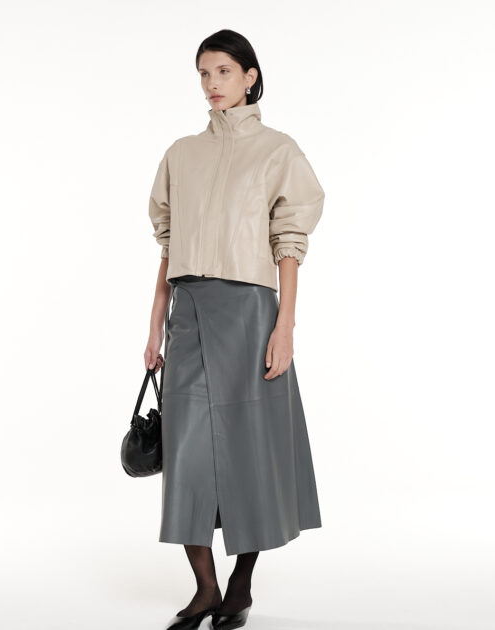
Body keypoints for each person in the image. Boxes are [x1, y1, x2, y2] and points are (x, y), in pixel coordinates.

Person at [144, 29, 325, 630]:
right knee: (186, 452)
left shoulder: (278, 151)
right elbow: (168, 246)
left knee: (251, 448)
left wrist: (285, 325)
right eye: (204, 73)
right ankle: (204, 589)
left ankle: (240, 586)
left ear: (250, 76)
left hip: (250, 312)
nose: (212, 84)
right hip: (188, 312)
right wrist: (154, 326)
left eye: (223, 71)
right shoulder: (181, 154)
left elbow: (289, 243)